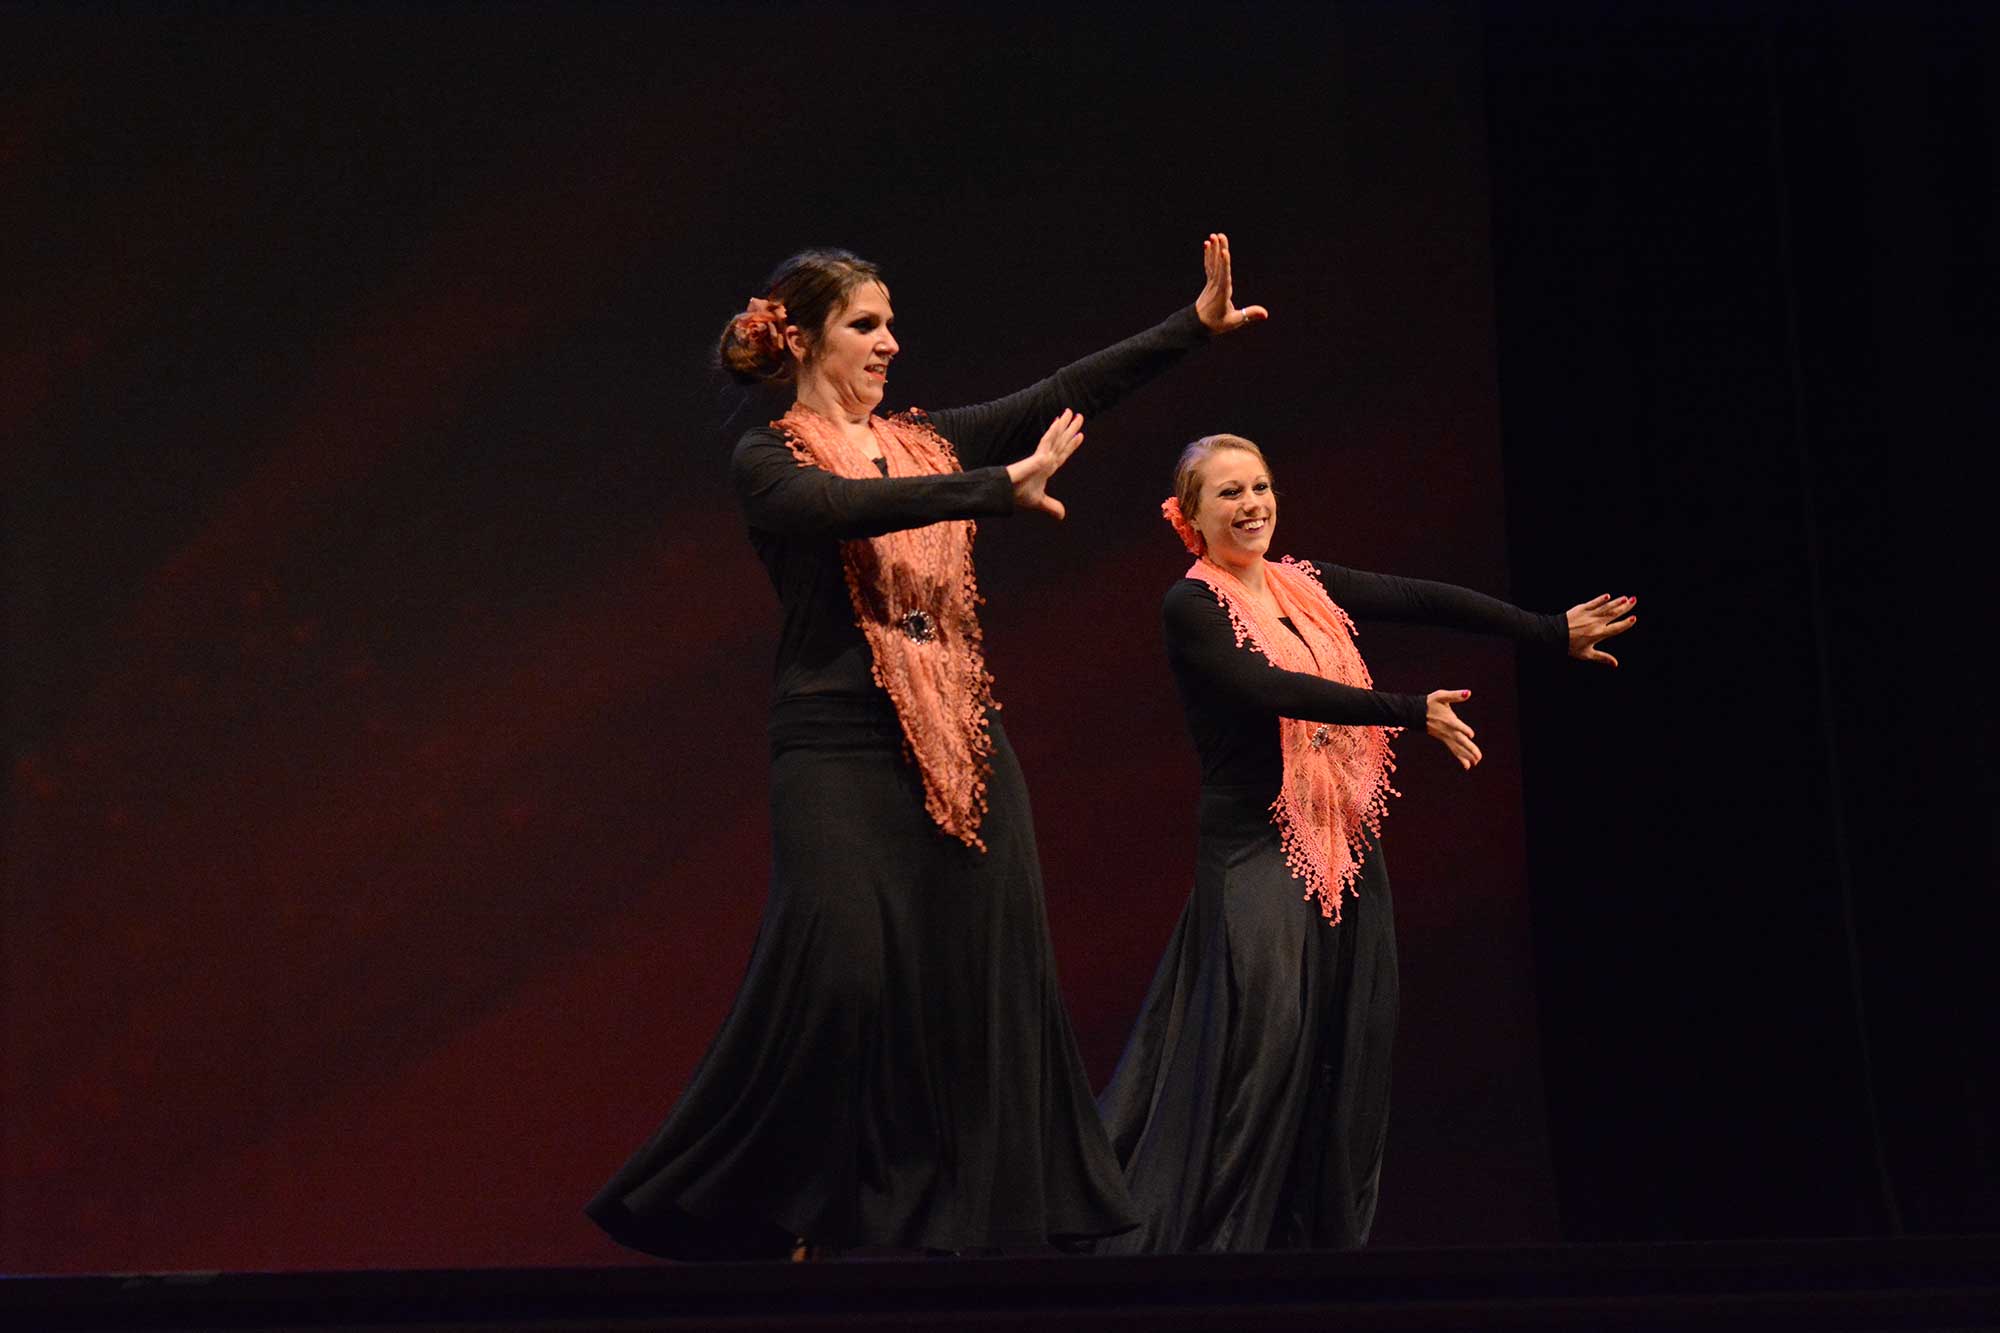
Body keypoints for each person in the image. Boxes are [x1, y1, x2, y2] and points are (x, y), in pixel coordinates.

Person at [587, 239, 1268, 1259]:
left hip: (961, 739)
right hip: (836, 744)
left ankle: (956, 1229)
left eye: (890, 324)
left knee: (983, 975)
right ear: (802, 339)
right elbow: (835, 509)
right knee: (844, 971)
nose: (889, 342)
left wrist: (1191, 329)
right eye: (865, 324)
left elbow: (1064, 392)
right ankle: (772, 1207)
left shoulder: (926, 441)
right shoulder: (768, 458)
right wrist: (991, 489)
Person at [1096, 433, 1634, 1253]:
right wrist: (1407, 710)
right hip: (1255, 847)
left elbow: (1420, 597)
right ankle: (1209, 1251)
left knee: (1347, 1041)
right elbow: (1267, 688)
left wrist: (1547, 629)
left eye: (1261, 487)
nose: (1252, 505)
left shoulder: (1305, 584)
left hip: (1343, 835)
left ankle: (1311, 1250)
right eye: (1230, 493)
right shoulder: (1192, 605)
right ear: (1192, 518)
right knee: (1261, 1048)